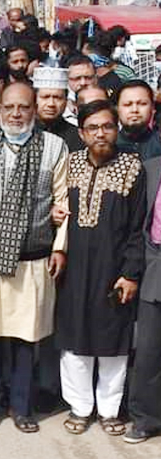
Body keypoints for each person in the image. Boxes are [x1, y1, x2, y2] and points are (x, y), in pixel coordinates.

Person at [0, 83, 68, 433]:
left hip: (34, 258)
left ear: (34, 109)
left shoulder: (54, 147)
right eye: (9, 107)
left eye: (23, 107)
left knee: (27, 338)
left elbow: (62, 203)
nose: (15, 114)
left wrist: (59, 247)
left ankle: (21, 406)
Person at [56, 99, 145, 437]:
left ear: (116, 129)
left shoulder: (132, 167)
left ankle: (108, 410)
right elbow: (57, 207)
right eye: (92, 128)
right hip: (75, 268)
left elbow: (138, 226)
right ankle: (80, 407)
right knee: (74, 339)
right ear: (81, 133)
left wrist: (130, 272)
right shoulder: (70, 163)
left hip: (115, 268)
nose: (100, 134)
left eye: (107, 126)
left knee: (113, 342)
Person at [127, 153, 161, 443]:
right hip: (155, 264)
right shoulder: (150, 169)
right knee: (149, 348)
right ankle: (145, 418)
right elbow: (138, 222)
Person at [32, 67, 82, 152]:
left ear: (66, 100)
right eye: (45, 97)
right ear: (34, 99)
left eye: (57, 98)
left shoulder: (77, 136)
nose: (51, 104)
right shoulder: (23, 132)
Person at [116, 80, 161, 160]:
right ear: (117, 109)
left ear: (152, 107)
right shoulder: (109, 146)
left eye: (142, 104)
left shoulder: (158, 143)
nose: (134, 110)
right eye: (127, 104)